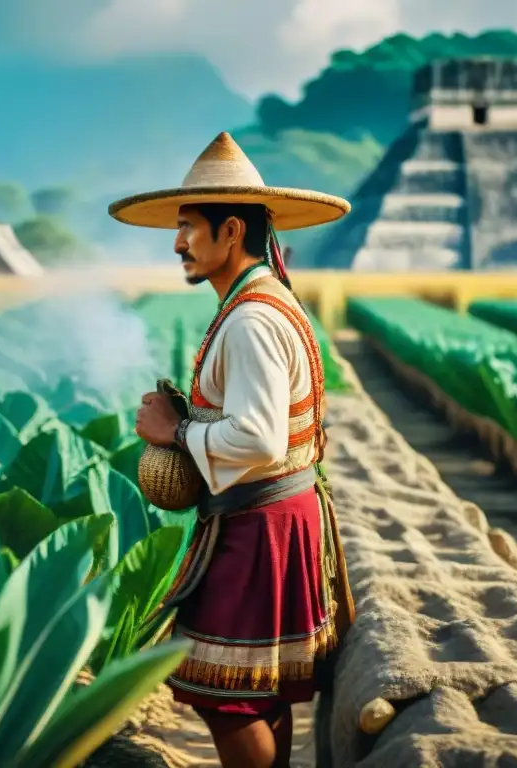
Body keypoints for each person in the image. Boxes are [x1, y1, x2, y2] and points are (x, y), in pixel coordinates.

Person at [108, 132, 357, 768]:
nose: (176, 242)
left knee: (228, 696)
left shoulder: (250, 320)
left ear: (232, 231)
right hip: (271, 514)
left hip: (258, 522)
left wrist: (175, 432)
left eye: (189, 226)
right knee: (256, 687)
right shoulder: (263, 301)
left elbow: (259, 437)